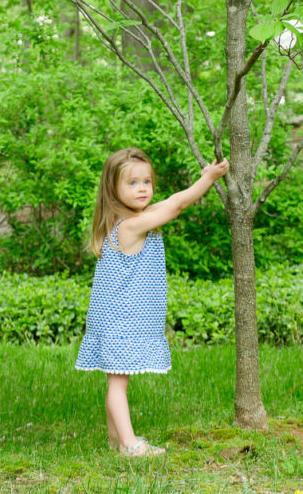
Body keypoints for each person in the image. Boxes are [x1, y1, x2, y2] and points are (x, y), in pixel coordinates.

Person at [75, 147, 230, 457]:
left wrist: (202, 179)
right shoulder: (130, 226)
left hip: (118, 319)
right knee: (118, 384)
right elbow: (178, 206)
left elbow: (172, 201)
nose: (142, 188)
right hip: (119, 321)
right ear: (113, 190)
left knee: (118, 380)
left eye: (146, 181)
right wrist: (210, 178)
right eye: (132, 183)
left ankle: (116, 440)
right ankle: (131, 445)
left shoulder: (136, 218)